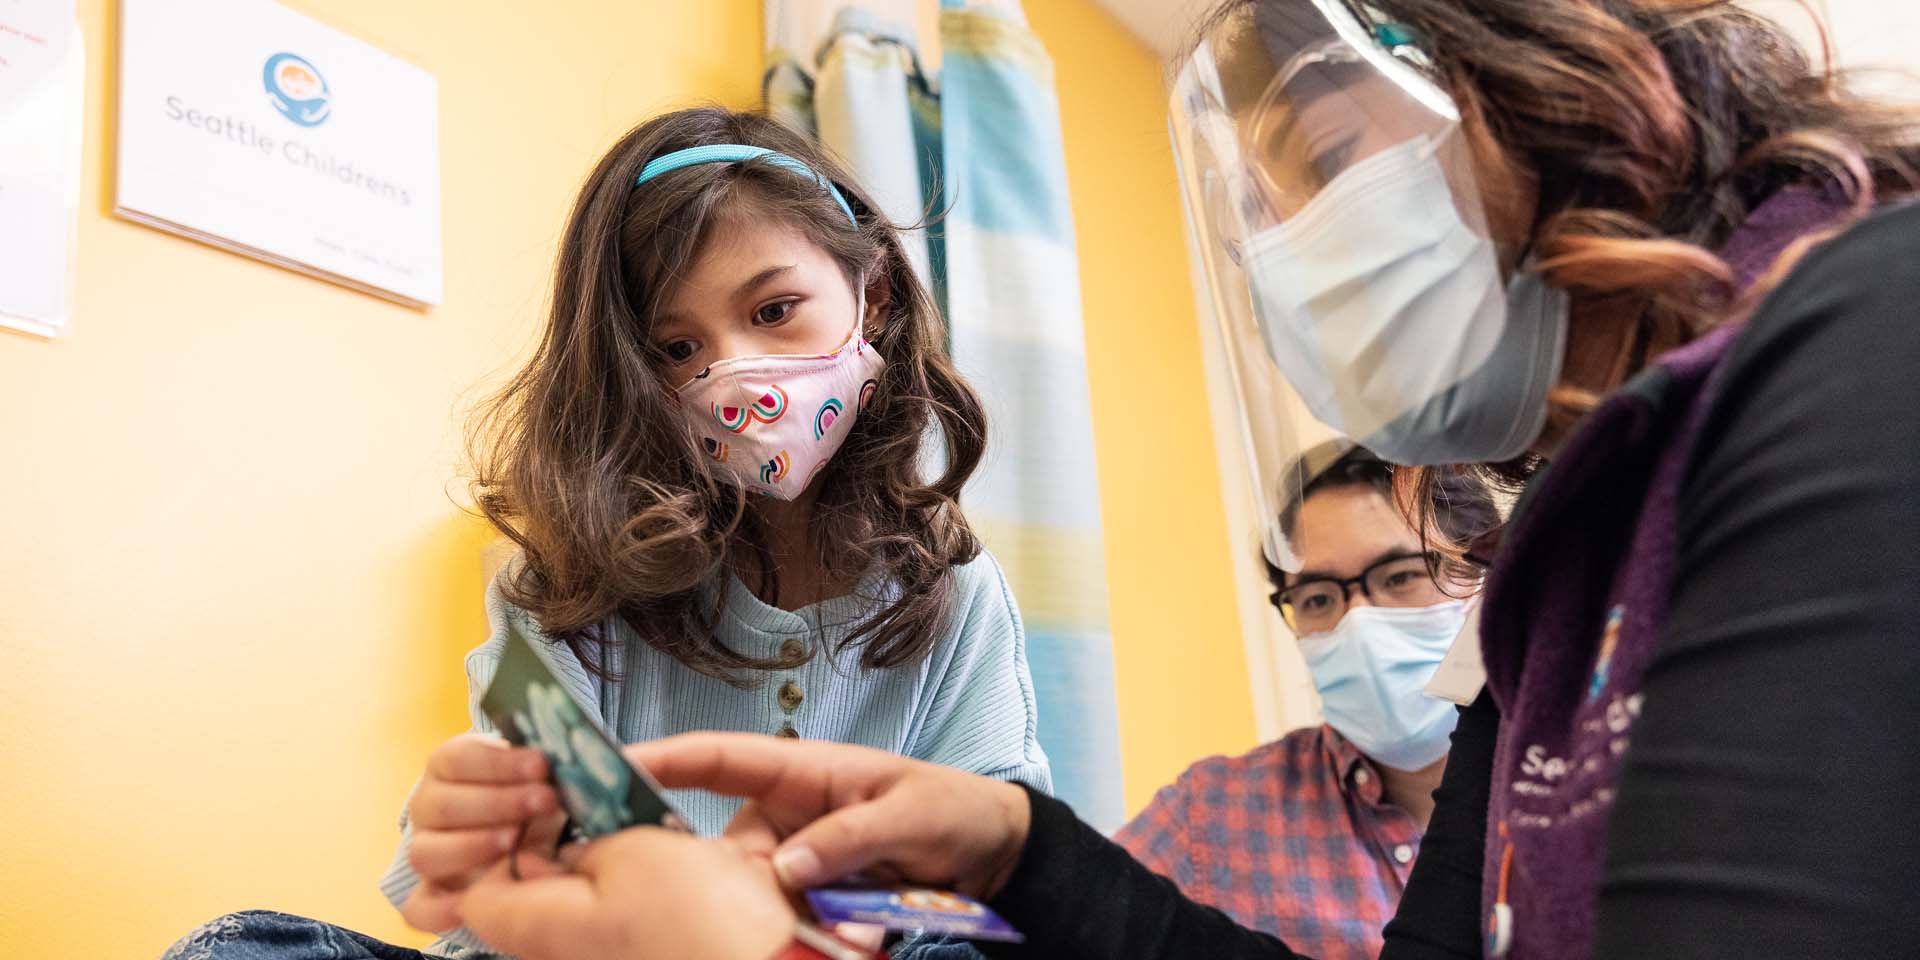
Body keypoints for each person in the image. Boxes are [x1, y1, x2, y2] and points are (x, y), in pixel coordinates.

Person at [424, 0, 1920, 957]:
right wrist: (1020, 848)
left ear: (1559, 75)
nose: (1307, 256)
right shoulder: (1549, 603)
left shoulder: (1862, 333)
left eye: (1334, 161)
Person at [162, 105, 1050, 959]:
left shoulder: (958, 595)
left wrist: (771, 916)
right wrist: (488, 846)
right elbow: (497, 899)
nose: (735, 377)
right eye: (676, 350)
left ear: (877, 295)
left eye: (774, 310)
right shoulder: (562, 584)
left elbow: (996, 888)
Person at [1115, 445, 1495, 959]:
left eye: (1401, 576)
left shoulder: (1593, 782)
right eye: (1318, 598)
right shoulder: (1212, 815)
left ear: (1488, 578)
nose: (1356, 622)